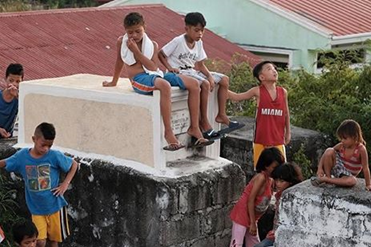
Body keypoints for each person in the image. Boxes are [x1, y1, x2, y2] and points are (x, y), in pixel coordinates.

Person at [102, 11, 212, 150]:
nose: (134, 35)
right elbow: (119, 61)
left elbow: (153, 66)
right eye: (130, 32)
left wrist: (137, 52)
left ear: (144, 27)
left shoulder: (152, 45)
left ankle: (195, 127)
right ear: (125, 31)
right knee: (164, 85)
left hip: (156, 74)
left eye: (138, 31)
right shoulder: (122, 42)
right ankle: (168, 132)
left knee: (195, 84)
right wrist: (114, 81)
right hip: (139, 79)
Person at [0, 122, 78, 247]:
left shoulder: (54, 156)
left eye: (49, 145)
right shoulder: (22, 156)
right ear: (34, 139)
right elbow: (6, 162)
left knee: (54, 241)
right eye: (43, 144)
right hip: (36, 210)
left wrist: (65, 184)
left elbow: (73, 164)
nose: (46, 148)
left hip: (55, 207)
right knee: (39, 242)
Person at [159, 12, 242, 140]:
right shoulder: (178, 41)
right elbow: (161, 54)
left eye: (202, 31)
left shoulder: (199, 43)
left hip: (191, 72)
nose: (200, 34)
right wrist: (170, 67)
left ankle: (221, 115)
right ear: (187, 28)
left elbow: (201, 65)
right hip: (176, 73)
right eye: (196, 30)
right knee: (202, 84)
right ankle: (202, 122)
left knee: (224, 79)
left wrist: (209, 76)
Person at [225, 147, 284, 247]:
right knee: (235, 246)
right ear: (266, 166)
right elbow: (250, 200)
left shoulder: (270, 180)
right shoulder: (260, 178)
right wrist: (252, 223)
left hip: (253, 218)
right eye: (274, 167)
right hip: (243, 216)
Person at [246, 162, 303, 247]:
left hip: (283, 234)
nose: (277, 183)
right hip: (276, 232)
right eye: (277, 180)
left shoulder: (290, 198)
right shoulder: (279, 196)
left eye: (281, 181)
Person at [228, 61, 290, 169]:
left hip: (278, 139)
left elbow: (286, 114)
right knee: (262, 172)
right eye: (269, 69)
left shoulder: (283, 92)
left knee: (280, 171)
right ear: (262, 77)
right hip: (261, 140)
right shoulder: (257, 91)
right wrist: (221, 86)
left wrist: (288, 132)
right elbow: (237, 97)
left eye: (275, 68)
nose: (274, 71)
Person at [313, 119, 371, 191]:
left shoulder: (361, 149)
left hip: (348, 175)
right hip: (338, 168)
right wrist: (320, 168)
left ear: (354, 137)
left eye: (345, 138)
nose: (342, 141)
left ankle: (327, 179)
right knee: (329, 150)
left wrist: (368, 184)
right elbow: (326, 154)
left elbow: (365, 168)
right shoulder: (341, 146)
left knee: (352, 181)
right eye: (341, 138)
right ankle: (328, 177)